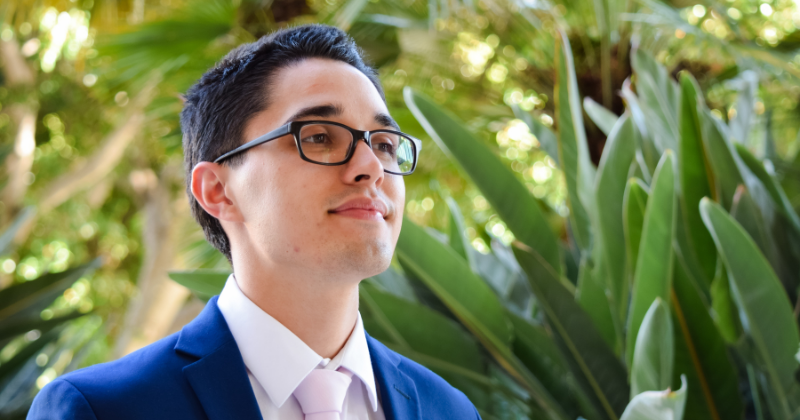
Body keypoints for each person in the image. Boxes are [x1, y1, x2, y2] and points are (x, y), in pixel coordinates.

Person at [28, 24, 480, 420]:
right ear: (218, 191)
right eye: (320, 136)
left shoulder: (450, 409)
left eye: (383, 143)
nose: (371, 167)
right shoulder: (102, 409)